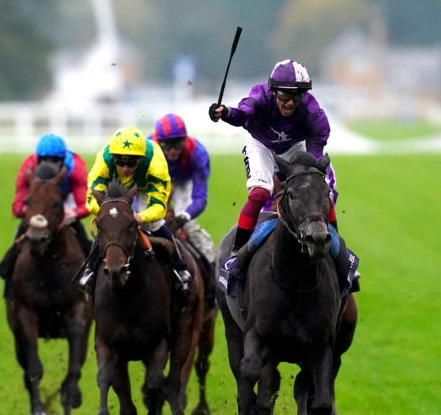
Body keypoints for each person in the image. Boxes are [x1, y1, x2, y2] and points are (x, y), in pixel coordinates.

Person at [208, 58, 358, 295]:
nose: (289, 102)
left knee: (320, 192)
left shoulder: (314, 114)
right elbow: (241, 115)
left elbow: (316, 153)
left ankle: (341, 260)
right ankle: (236, 256)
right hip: (260, 145)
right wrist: (224, 113)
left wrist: (311, 175)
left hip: (296, 147)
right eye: (284, 95)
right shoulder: (260, 96)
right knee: (260, 193)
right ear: (273, 91)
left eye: (296, 96)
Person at [80, 126, 191, 293]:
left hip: (146, 186)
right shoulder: (104, 159)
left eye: (131, 163)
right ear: (113, 158)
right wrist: (111, 214)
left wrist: (139, 218)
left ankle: (179, 267)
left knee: (153, 225)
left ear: (140, 159)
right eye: (121, 162)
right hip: (115, 186)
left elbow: (159, 206)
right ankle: (90, 270)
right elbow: (90, 199)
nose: (125, 168)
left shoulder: (155, 162)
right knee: (111, 224)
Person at [0, 133, 91, 285]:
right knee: (18, 241)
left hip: (65, 202)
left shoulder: (75, 167)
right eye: (44, 160)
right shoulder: (28, 167)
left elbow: (86, 203)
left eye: (54, 160)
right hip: (38, 203)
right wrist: (34, 210)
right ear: (37, 159)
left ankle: (90, 273)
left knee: (83, 240)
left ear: (63, 159)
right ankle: (9, 282)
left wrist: (74, 213)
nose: (49, 165)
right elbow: (17, 208)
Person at [149, 113, 216, 265]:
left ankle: (212, 265)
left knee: (189, 226)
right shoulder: (147, 150)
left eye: (178, 144)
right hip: (153, 182)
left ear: (185, 140)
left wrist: (185, 216)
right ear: (158, 142)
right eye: (167, 145)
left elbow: (200, 197)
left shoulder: (197, 153)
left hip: (182, 182)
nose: (172, 150)